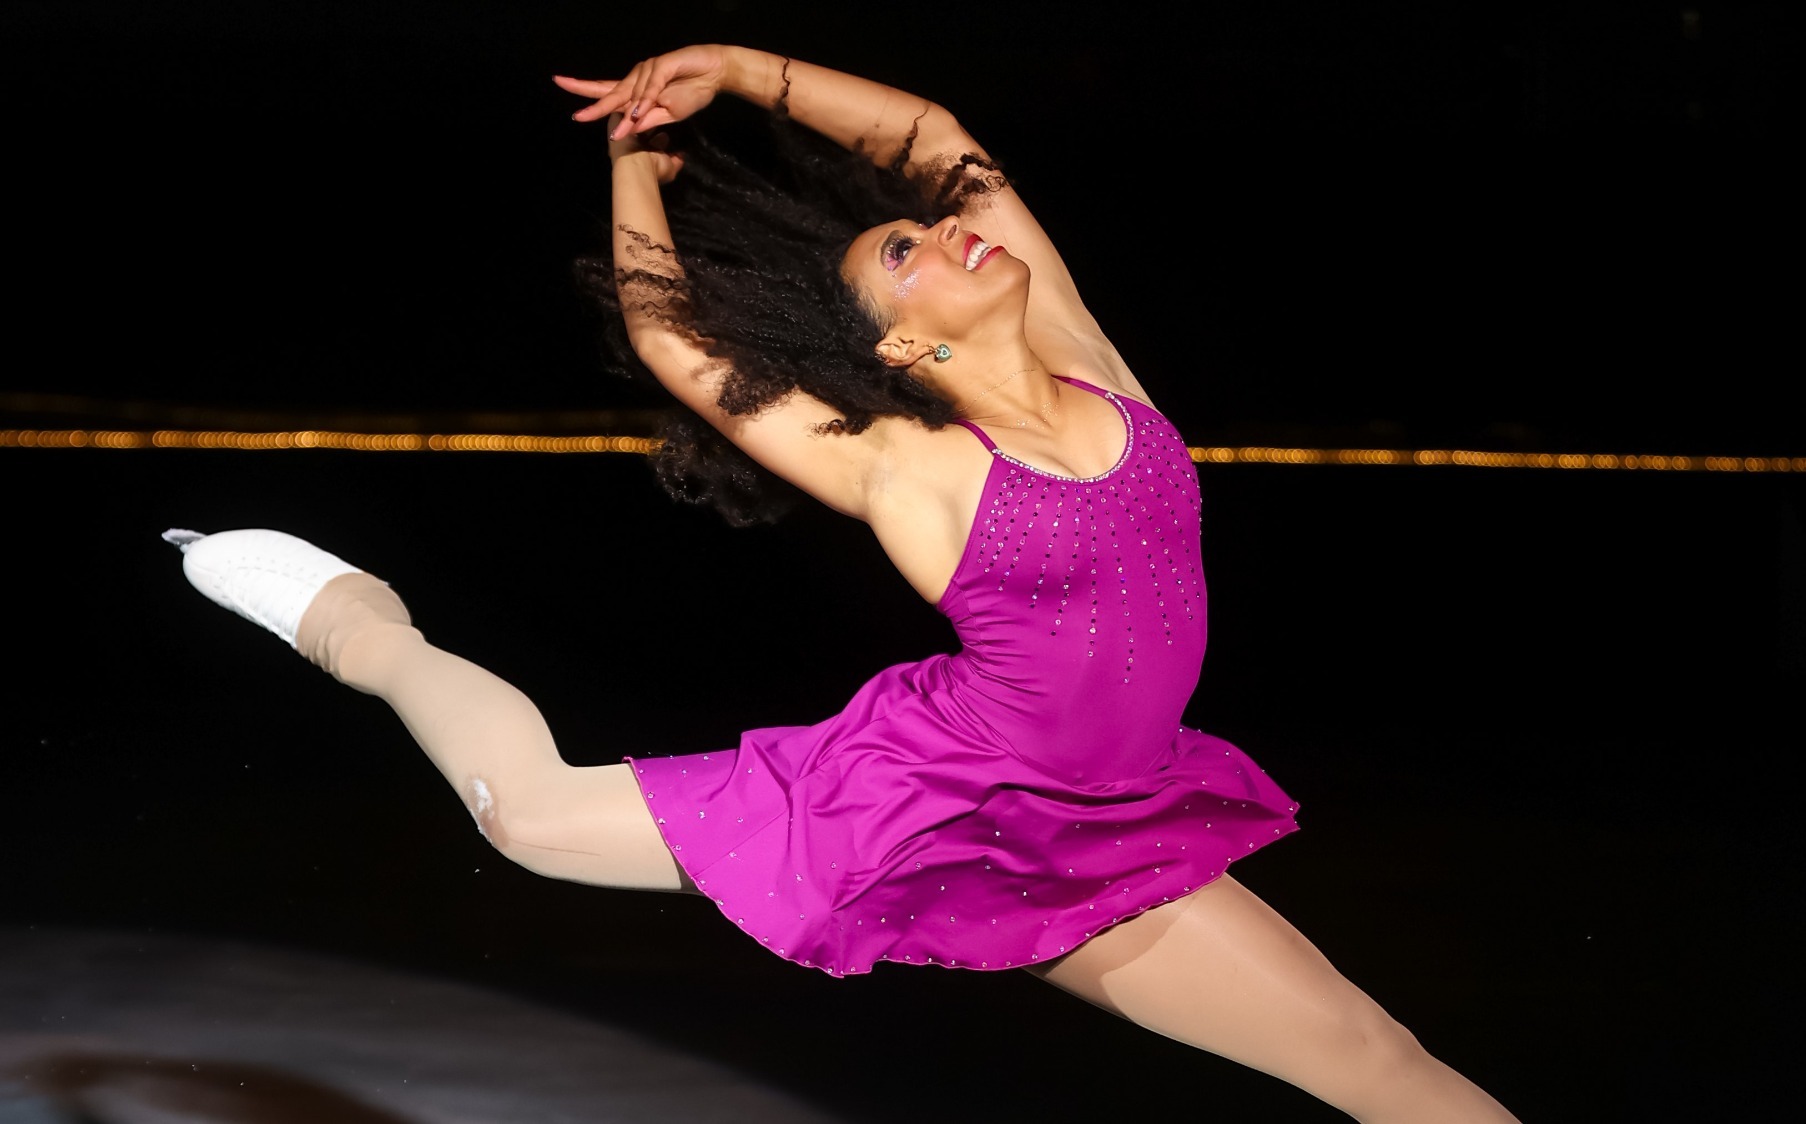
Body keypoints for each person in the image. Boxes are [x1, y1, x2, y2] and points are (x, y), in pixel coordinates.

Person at [162, 43, 1519, 1122]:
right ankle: (350, 619)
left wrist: (745, 70)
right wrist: (636, 159)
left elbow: (935, 137)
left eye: (928, 231)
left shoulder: (1097, 368)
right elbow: (673, 336)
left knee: (1373, 1060)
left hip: (1110, 825)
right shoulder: (912, 472)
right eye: (905, 257)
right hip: (928, 791)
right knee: (529, 818)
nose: (945, 234)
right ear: (907, 350)